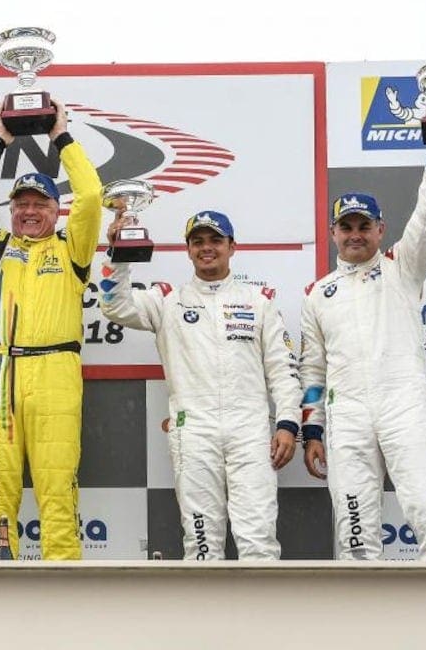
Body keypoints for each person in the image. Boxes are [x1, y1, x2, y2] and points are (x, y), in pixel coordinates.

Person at [99, 210, 300, 560]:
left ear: (232, 247)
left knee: (258, 539)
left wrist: (287, 424)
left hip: (249, 431)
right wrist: (118, 254)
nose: (207, 248)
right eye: (198, 242)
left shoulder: (259, 302)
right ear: (188, 250)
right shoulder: (167, 301)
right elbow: (114, 305)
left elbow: (283, 371)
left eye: (215, 240)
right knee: (202, 541)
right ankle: (208, 615)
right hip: (193, 429)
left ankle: (260, 615)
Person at [0, 100, 102, 561]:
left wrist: (61, 137)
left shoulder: (73, 249)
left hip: (56, 372)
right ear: (12, 210)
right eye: (22, 205)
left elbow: (93, 196)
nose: (31, 212)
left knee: (57, 491)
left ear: (58, 212)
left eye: (41, 204)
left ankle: (66, 598)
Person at [299, 145, 426, 560]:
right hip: (346, 413)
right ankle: (360, 620)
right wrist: (312, 431)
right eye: (346, 226)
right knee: (354, 529)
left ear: (380, 230)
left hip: (402, 402)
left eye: (363, 226)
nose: (354, 234)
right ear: (333, 232)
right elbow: (313, 372)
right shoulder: (318, 294)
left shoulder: (403, 267)